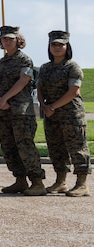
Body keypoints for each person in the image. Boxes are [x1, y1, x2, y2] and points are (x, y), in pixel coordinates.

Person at [0, 25, 46, 196]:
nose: (7, 41)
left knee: (25, 145)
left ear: (18, 40)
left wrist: (4, 98)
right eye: (4, 39)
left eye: (10, 38)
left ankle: (37, 182)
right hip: (3, 110)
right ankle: (20, 180)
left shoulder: (24, 60)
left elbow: (23, 81)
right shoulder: (0, 63)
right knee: (8, 146)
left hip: (21, 110)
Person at [37, 30, 89, 197]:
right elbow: (39, 88)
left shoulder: (72, 67)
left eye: (61, 44)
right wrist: (44, 106)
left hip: (71, 115)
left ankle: (82, 184)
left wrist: (52, 106)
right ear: (49, 47)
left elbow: (73, 91)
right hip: (52, 115)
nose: (57, 47)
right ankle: (61, 182)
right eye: (54, 44)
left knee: (77, 148)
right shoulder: (45, 68)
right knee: (56, 148)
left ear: (67, 47)